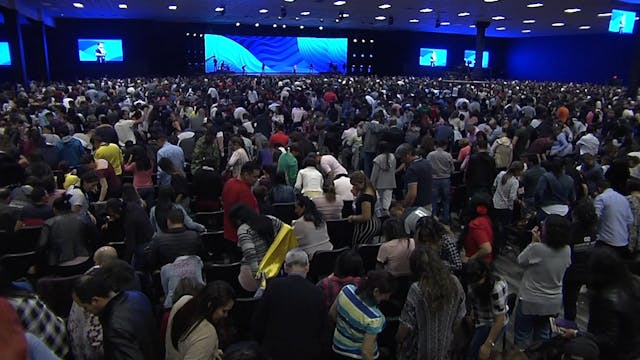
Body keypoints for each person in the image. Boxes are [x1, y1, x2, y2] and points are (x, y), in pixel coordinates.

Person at [253, 249, 327, 360]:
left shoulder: (273, 287)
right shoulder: (318, 293)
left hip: (274, 352)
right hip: (308, 353)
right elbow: (323, 331)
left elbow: (258, 322)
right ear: (307, 267)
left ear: (286, 267)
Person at [72, 268, 159, 360]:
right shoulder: (138, 296)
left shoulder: (114, 328)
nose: (86, 312)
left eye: (85, 307)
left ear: (95, 300)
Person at [396, 247, 466, 360]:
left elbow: (405, 326)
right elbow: (458, 320)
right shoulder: (455, 283)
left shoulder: (417, 289)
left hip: (419, 351)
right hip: (446, 349)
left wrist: (398, 340)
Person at [513, 215, 571, 347]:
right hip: (553, 302)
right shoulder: (567, 250)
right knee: (543, 337)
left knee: (522, 338)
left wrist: (533, 242)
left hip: (530, 300)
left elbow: (520, 260)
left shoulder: (537, 249)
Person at [329, 270, 395, 360]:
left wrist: (347, 330)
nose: (387, 298)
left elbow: (332, 315)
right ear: (376, 292)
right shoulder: (375, 318)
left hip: (337, 348)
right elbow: (366, 353)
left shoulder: (346, 290)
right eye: (386, 295)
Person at [166, 281, 235, 360]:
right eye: (224, 311)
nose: (226, 315)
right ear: (210, 305)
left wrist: (209, 350)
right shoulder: (208, 333)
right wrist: (206, 346)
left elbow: (185, 344)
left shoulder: (183, 302)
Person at [230, 203, 284, 292]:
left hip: (254, 277)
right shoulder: (271, 219)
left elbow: (251, 255)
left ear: (238, 220)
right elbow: (287, 234)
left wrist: (261, 280)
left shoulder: (244, 230)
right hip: (276, 268)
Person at [464, 259, 508, 360]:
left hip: (491, 323)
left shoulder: (497, 287)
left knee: (474, 354)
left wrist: (488, 345)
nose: (474, 285)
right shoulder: (472, 281)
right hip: (479, 318)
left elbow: (499, 320)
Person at [594, 180, 633, 257]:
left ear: (599, 189)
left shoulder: (601, 198)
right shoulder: (623, 199)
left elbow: (595, 218)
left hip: (606, 242)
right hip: (623, 242)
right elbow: (630, 220)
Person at [223, 162, 260, 242]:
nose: (256, 180)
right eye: (255, 177)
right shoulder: (244, 191)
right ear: (246, 175)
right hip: (241, 237)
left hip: (228, 232)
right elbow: (250, 216)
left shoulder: (229, 183)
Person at [492, 161, 524, 253]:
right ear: (517, 171)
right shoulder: (514, 181)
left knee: (495, 226)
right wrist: (520, 202)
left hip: (496, 203)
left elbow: (494, 186)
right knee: (505, 228)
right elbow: (512, 197)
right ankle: (502, 246)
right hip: (506, 207)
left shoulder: (501, 174)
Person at [534, 157, 576, 222]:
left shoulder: (545, 177)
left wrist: (537, 206)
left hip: (546, 209)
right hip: (564, 211)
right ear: (563, 167)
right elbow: (573, 198)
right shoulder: (570, 179)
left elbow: (538, 193)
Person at [292, 195, 333, 259]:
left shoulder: (299, 223)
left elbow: (292, 242)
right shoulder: (322, 219)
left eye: (296, 208)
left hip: (312, 258)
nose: (295, 211)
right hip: (330, 253)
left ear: (303, 207)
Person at [395, 143, 433, 211]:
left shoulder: (412, 169)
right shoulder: (427, 163)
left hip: (416, 207)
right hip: (428, 204)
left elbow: (412, 194)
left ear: (408, 155)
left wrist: (405, 206)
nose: (401, 161)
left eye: (401, 158)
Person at [348, 171, 381, 246]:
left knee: (358, 246)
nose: (355, 187)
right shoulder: (371, 189)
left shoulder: (365, 197)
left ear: (362, 182)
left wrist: (352, 218)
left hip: (365, 226)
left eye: (356, 185)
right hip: (374, 221)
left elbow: (365, 216)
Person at [463, 194, 495, 264]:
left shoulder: (477, 224)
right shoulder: (487, 220)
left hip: (476, 265)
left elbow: (487, 249)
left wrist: (470, 259)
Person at [371, 141, 397, 216]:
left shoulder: (378, 159)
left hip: (379, 183)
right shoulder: (393, 157)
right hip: (390, 182)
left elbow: (374, 174)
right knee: (387, 199)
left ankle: (382, 214)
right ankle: (386, 213)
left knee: (380, 200)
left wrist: (371, 183)